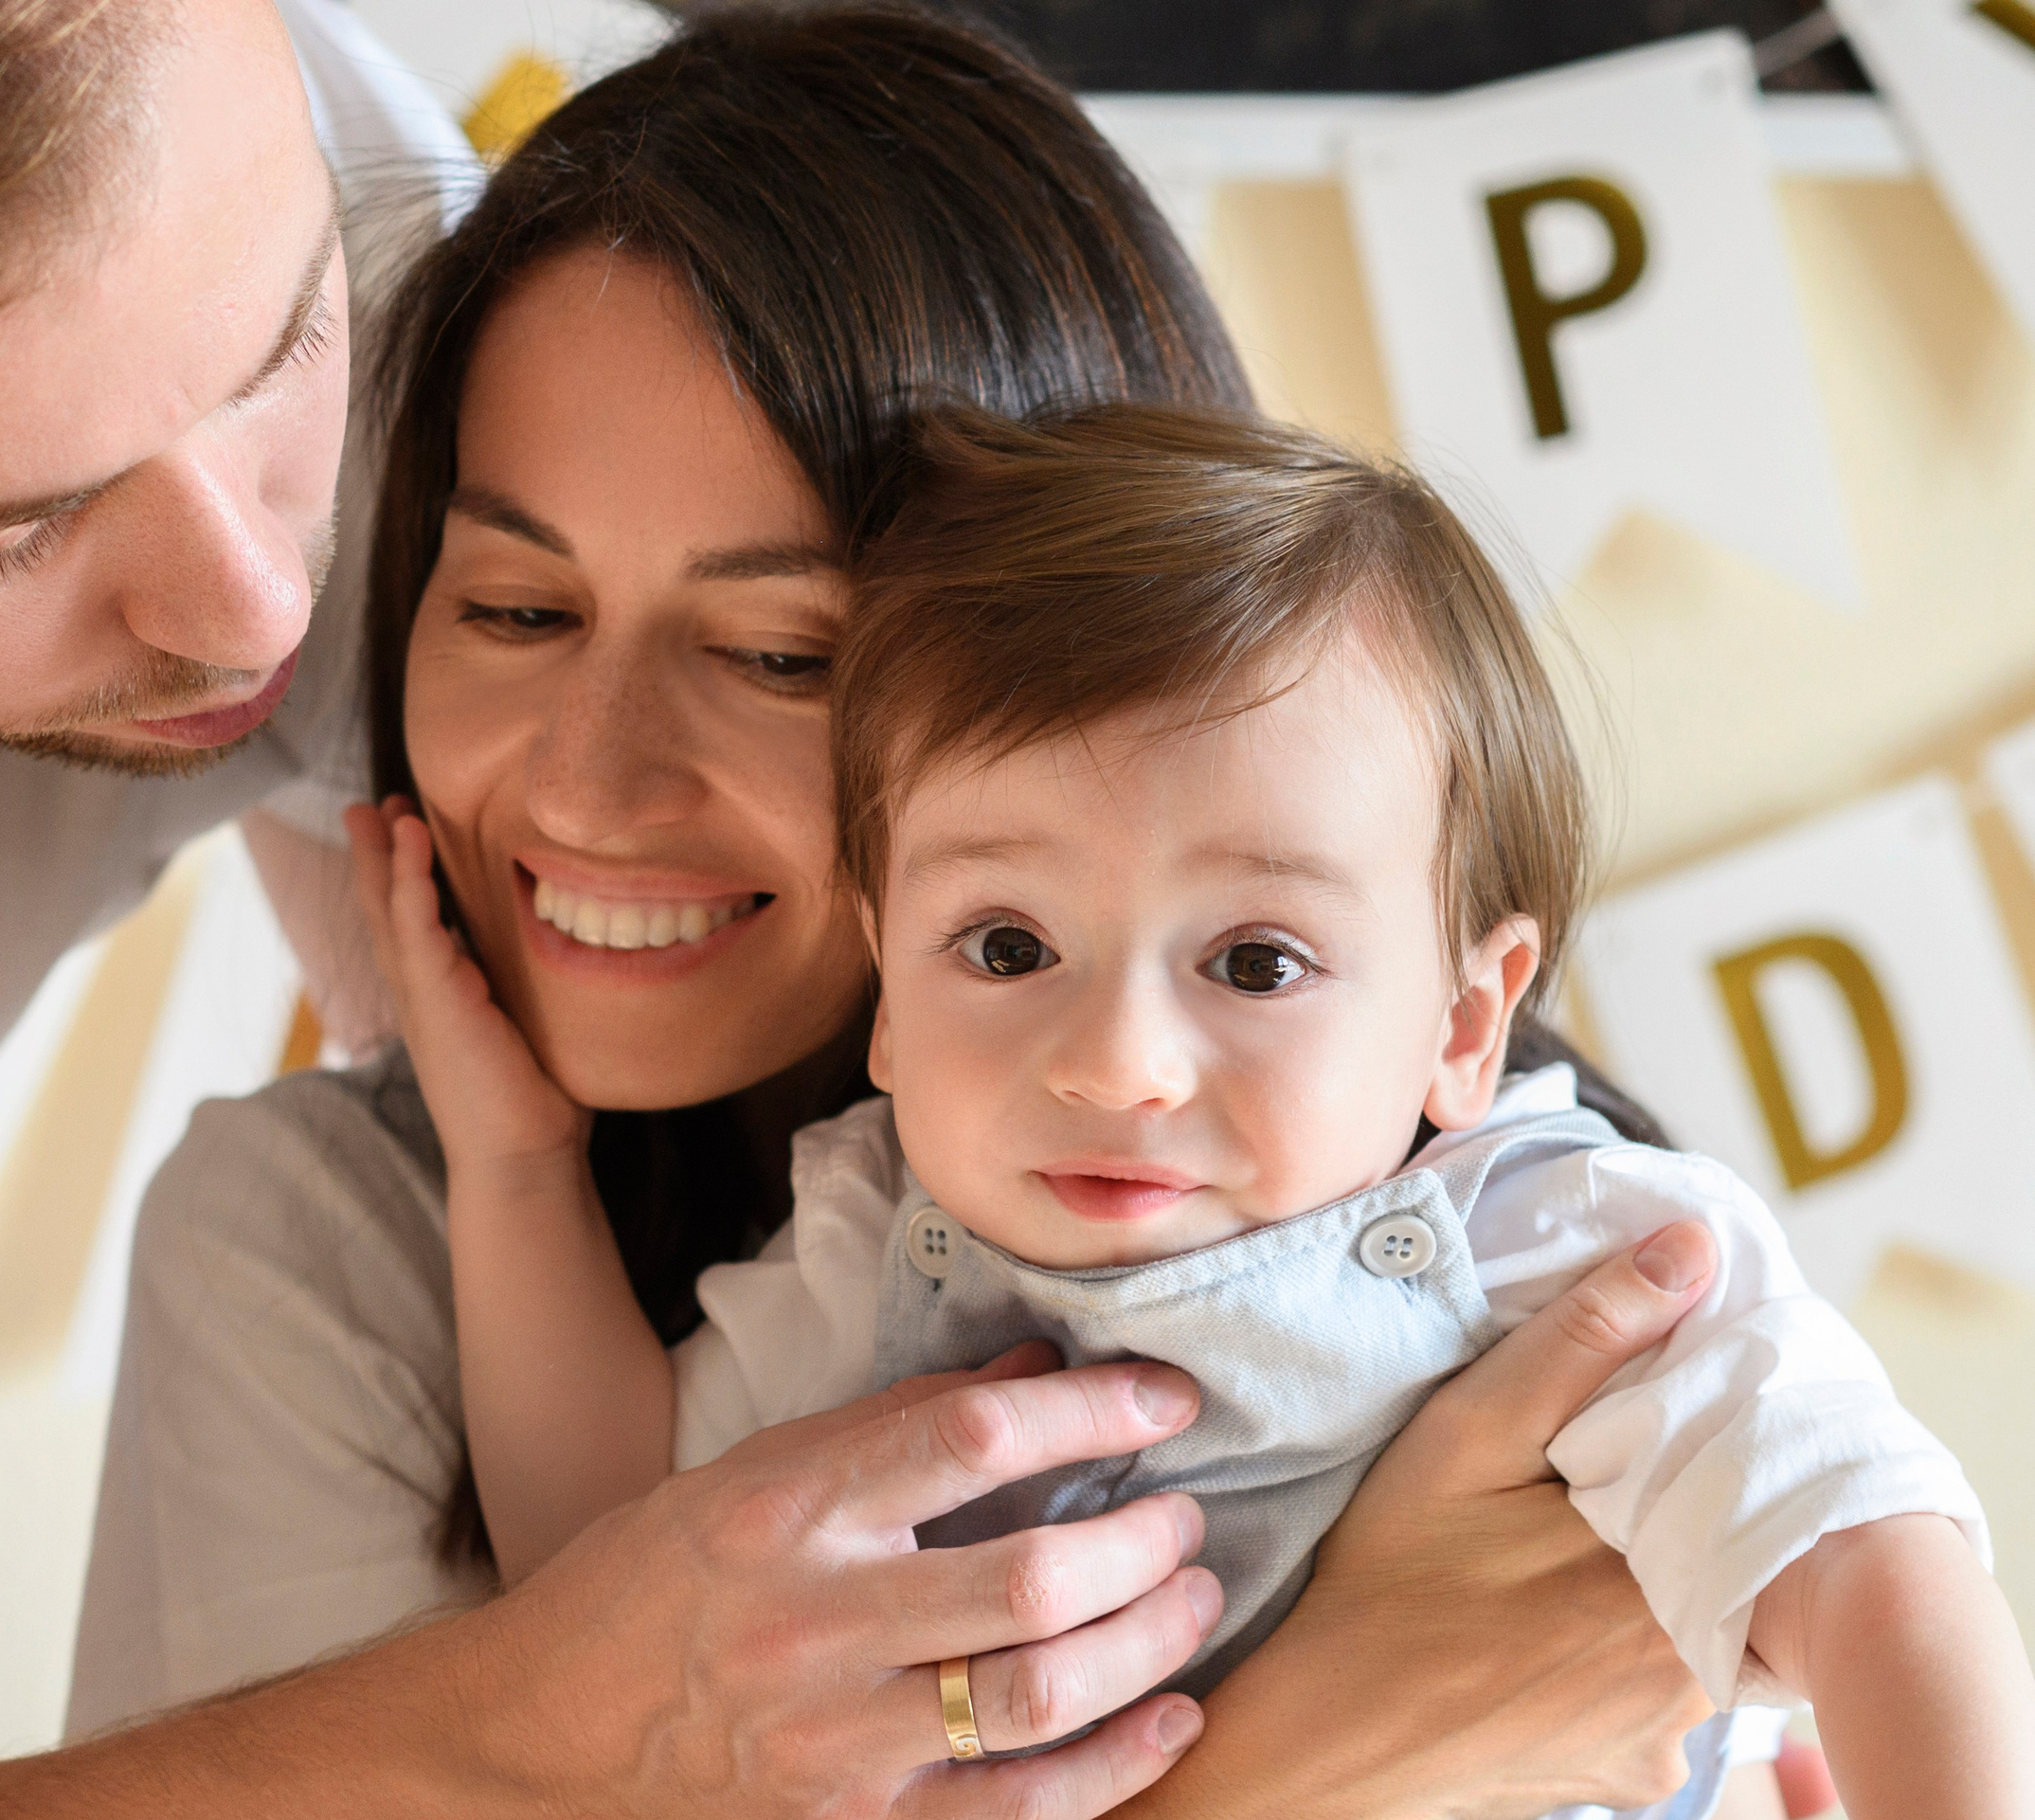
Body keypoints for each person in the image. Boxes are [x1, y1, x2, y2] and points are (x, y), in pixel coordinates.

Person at [0, 1, 1699, 1812]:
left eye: (786, 653)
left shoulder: (1519, 1235)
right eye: (8, 531)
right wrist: (1276, 1768)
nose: (265, 620)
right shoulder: (322, 1256)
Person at [364, 396, 2035, 1819]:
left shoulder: (1558, 1252)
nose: (1116, 1062)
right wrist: (515, 1163)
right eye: (1007, 945)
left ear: (1465, 1020)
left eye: (1255, 961)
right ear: (886, 987)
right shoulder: (871, 1251)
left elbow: (1876, 1563)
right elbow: (602, 1560)